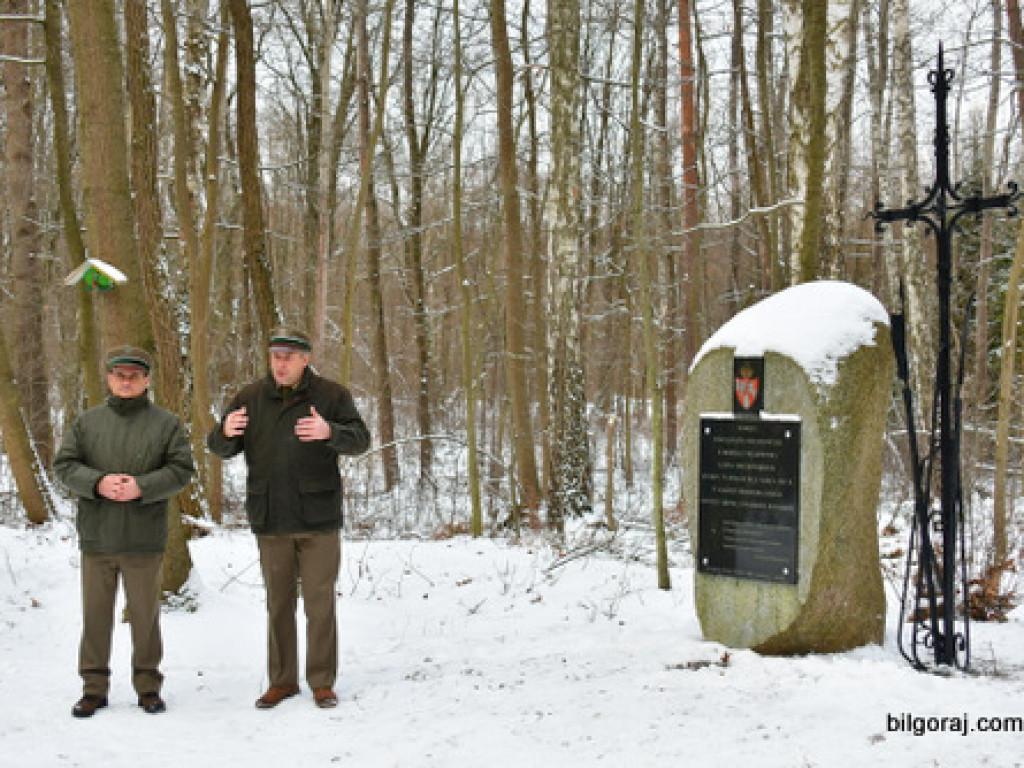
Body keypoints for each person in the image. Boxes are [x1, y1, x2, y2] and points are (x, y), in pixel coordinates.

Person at [208, 326, 370, 709]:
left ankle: (322, 682)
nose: (280, 364)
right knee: (278, 605)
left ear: (305, 359)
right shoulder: (250, 397)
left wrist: (330, 431)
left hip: (319, 520)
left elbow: (361, 439)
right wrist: (224, 432)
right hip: (271, 518)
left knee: (319, 604)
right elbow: (219, 447)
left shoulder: (331, 396)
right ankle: (282, 681)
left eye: (289, 357)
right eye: (275, 357)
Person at [54, 346, 195, 718]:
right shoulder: (87, 423)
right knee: (95, 617)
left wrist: (143, 486)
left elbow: (181, 469)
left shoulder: (166, 424)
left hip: (143, 538)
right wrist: (98, 483)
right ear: (109, 378)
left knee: (145, 617)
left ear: (147, 380)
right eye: (120, 374)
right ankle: (93, 688)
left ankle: (148, 687)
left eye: (134, 375)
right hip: (98, 536)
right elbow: (64, 465)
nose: (126, 381)